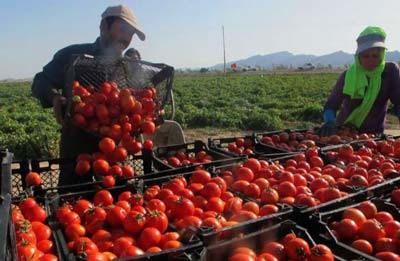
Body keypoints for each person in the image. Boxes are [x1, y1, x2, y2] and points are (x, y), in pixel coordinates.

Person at [31, 5, 145, 185]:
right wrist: (54, 97)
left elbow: (136, 103)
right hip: (77, 151)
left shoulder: (128, 66)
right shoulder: (72, 55)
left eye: (131, 34)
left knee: (118, 205)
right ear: (103, 26)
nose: (126, 38)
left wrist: (146, 115)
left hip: (115, 154)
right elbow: (40, 82)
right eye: (122, 29)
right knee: (73, 200)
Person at [320, 26, 400, 136]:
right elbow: (332, 104)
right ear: (358, 57)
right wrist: (329, 121)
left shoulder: (390, 72)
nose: (370, 60)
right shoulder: (348, 76)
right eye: (366, 56)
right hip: (345, 133)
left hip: (374, 135)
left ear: (382, 55)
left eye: (375, 56)